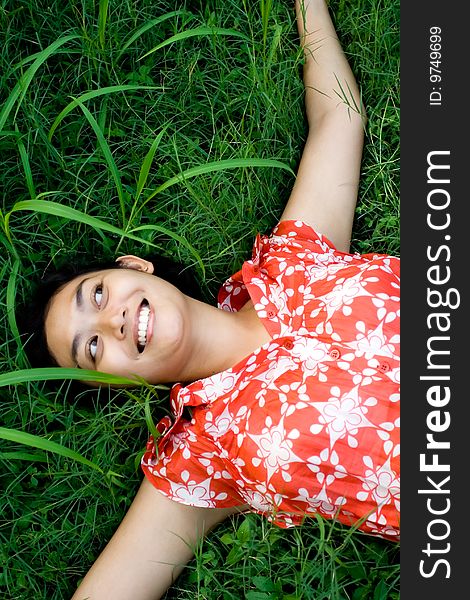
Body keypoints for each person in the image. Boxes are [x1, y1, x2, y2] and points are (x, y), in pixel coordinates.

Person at [21, 1, 400, 598]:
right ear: (109, 388)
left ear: (133, 266)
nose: (112, 320)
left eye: (97, 294)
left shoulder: (292, 259)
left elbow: (338, 120)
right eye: (90, 347)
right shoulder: (200, 455)